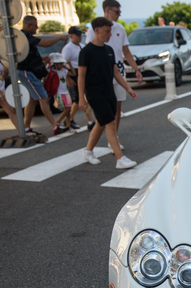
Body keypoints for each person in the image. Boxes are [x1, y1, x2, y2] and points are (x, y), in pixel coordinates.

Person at [79, 17, 137, 169]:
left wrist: (128, 88)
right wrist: (81, 98)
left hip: (109, 91)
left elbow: (116, 72)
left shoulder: (108, 50)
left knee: (101, 122)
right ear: (96, 31)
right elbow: (81, 76)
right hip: (94, 93)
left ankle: (88, 151)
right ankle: (120, 159)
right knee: (110, 123)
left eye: (110, 31)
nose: (110, 34)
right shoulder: (86, 52)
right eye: (107, 31)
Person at [86, 0, 143, 150]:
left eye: (120, 12)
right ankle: (95, 146)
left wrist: (136, 69)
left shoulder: (120, 28)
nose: (119, 15)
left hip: (117, 71)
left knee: (116, 107)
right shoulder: (94, 29)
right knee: (106, 110)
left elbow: (126, 51)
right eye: (117, 12)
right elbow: (88, 51)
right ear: (107, 11)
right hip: (101, 74)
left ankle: (113, 138)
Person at [17, 16, 68, 138]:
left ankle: (26, 127)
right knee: (44, 99)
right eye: (35, 25)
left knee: (33, 100)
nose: (37, 27)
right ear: (28, 25)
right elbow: (44, 43)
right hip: (27, 71)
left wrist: (42, 59)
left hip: (27, 71)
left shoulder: (23, 37)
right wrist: (60, 37)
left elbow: (28, 54)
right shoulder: (25, 36)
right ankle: (55, 126)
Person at [62, 26, 95, 130]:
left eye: (80, 34)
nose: (80, 37)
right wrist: (68, 78)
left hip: (83, 71)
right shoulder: (68, 48)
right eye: (77, 35)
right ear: (71, 36)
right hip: (73, 72)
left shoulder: (82, 46)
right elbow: (63, 64)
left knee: (78, 99)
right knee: (83, 97)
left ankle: (69, 119)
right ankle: (90, 121)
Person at [50, 54, 76, 135]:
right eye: (59, 63)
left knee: (68, 110)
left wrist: (70, 65)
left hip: (65, 92)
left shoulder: (63, 71)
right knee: (67, 109)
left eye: (62, 63)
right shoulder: (53, 71)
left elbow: (73, 73)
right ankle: (57, 122)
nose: (62, 65)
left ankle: (68, 127)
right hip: (58, 93)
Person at [0, 59, 19, 130]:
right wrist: (1, 93)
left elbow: (1, 77)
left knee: (11, 110)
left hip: (1, 90)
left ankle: (22, 132)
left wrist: (6, 73)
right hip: (0, 92)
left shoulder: (0, 61)